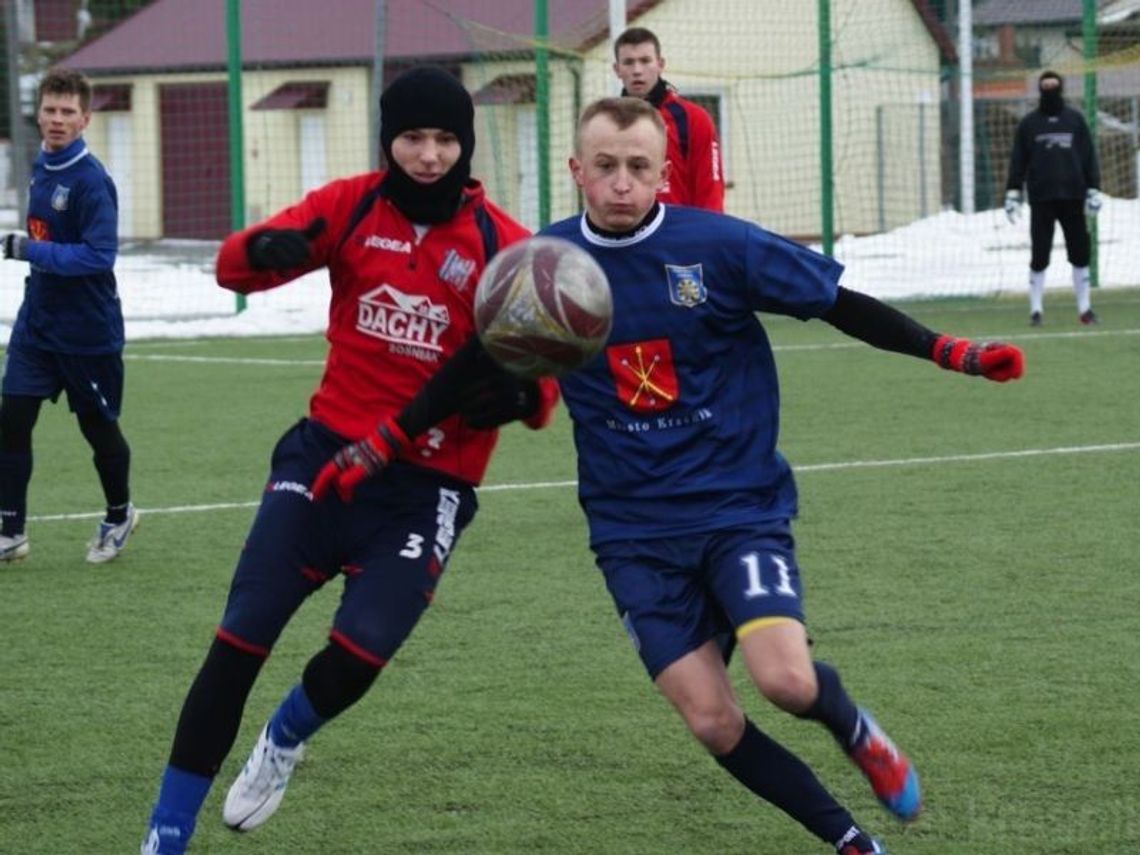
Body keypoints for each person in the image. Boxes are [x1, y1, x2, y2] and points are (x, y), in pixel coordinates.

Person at [316, 97, 1025, 854]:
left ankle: (852, 726)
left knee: (785, 680)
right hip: (631, 532)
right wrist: (387, 439)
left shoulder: (719, 246)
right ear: (577, 171)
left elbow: (838, 305)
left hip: (734, 507)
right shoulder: (543, 268)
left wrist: (951, 351)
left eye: (639, 168)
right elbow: (473, 364)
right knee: (713, 721)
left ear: (664, 173)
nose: (622, 183)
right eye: (606, 167)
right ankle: (853, 842)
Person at [139, 66, 559, 854]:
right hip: (324, 456)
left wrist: (519, 399)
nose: (428, 155)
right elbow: (233, 267)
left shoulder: (505, 243)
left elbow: (544, 386)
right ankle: (165, 835)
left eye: (444, 140)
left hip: (427, 483)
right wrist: (270, 246)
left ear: (465, 145)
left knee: (363, 650)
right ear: (387, 141)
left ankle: (287, 732)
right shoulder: (352, 203)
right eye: (412, 138)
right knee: (239, 638)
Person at [0, 67, 137, 565]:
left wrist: (30, 250)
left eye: (67, 112)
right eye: (49, 110)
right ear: (38, 113)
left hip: (87, 331)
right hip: (38, 324)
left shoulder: (91, 181)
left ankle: (119, 514)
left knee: (98, 430)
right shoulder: (42, 164)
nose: (56, 120)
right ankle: (10, 530)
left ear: (85, 118)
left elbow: (99, 256)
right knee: (11, 421)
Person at [1004, 70, 1102, 326]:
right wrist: (1013, 192)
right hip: (1041, 199)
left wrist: (1093, 187)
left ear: (1061, 88)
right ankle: (1035, 310)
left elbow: (1088, 156)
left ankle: (1085, 309)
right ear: (1039, 89)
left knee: (1080, 253)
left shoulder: (1075, 121)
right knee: (1040, 254)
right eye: (1045, 86)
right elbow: (1018, 160)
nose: (1049, 90)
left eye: (1053, 86)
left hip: (1073, 197)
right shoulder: (1029, 124)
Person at [613, 26, 725, 211]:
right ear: (617, 69)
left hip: (680, 234)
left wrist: (709, 236)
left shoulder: (694, 119)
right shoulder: (608, 122)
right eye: (629, 62)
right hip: (627, 233)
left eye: (645, 61)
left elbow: (710, 191)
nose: (637, 70)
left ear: (660, 64)